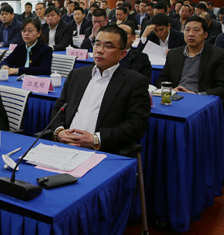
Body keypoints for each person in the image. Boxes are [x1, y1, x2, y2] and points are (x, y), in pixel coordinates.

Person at [51, 25, 150, 153]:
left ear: (122, 53)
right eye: (97, 44)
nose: (99, 50)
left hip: (102, 151)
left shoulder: (135, 82)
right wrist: (59, 132)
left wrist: (96, 139)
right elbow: (59, 108)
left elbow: (136, 125)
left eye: (108, 46)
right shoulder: (77, 75)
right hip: (65, 146)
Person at [157, 16, 224, 99]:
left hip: (200, 99)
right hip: (175, 97)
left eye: (196, 30)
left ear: (205, 35)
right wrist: (171, 90)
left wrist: (197, 94)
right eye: (187, 30)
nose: (191, 34)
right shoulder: (173, 54)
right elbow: (161, 81)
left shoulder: (218, 55)